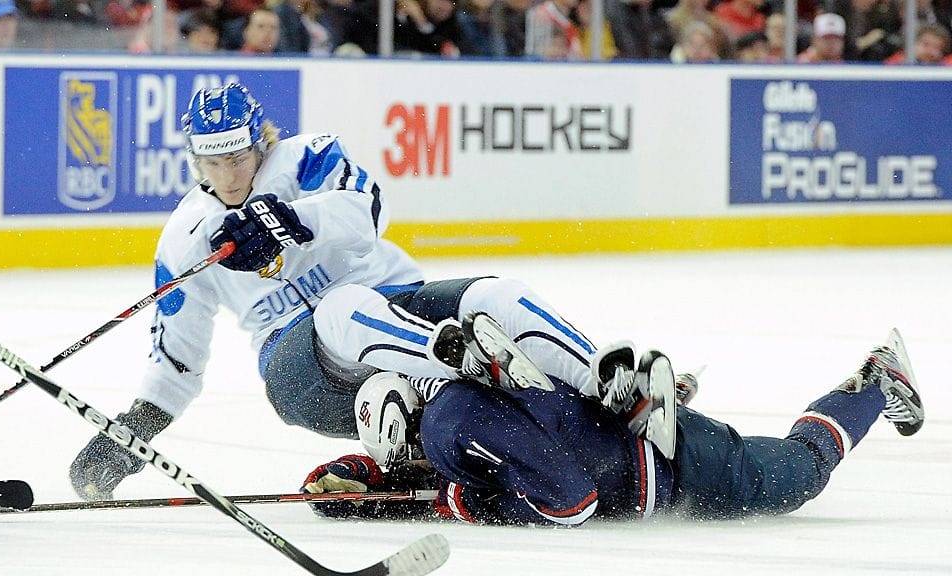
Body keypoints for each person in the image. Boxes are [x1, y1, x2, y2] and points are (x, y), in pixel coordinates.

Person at [67, 82, 637, 501]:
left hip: (395, 303)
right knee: (340, 307)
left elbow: (368, 211)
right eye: (213, 162)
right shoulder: (184, 241)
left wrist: (286, 218)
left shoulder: (308, 158)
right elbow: (176, 363)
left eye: (239, 158)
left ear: (261, 143)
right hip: (301, 370)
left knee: (495, 293)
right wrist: (128, 437)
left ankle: (611, 387)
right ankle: (461, 364)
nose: (230, 176)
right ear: (194, 159)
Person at [302, 329, 925, 526]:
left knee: (797, 473)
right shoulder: (449, 407)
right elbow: (450, 470)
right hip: (638, 443)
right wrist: (356, 485)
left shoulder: (450, 427)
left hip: (672, 468)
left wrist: (471, 505)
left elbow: (571, 501)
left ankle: (878, 381)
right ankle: (634, 396)